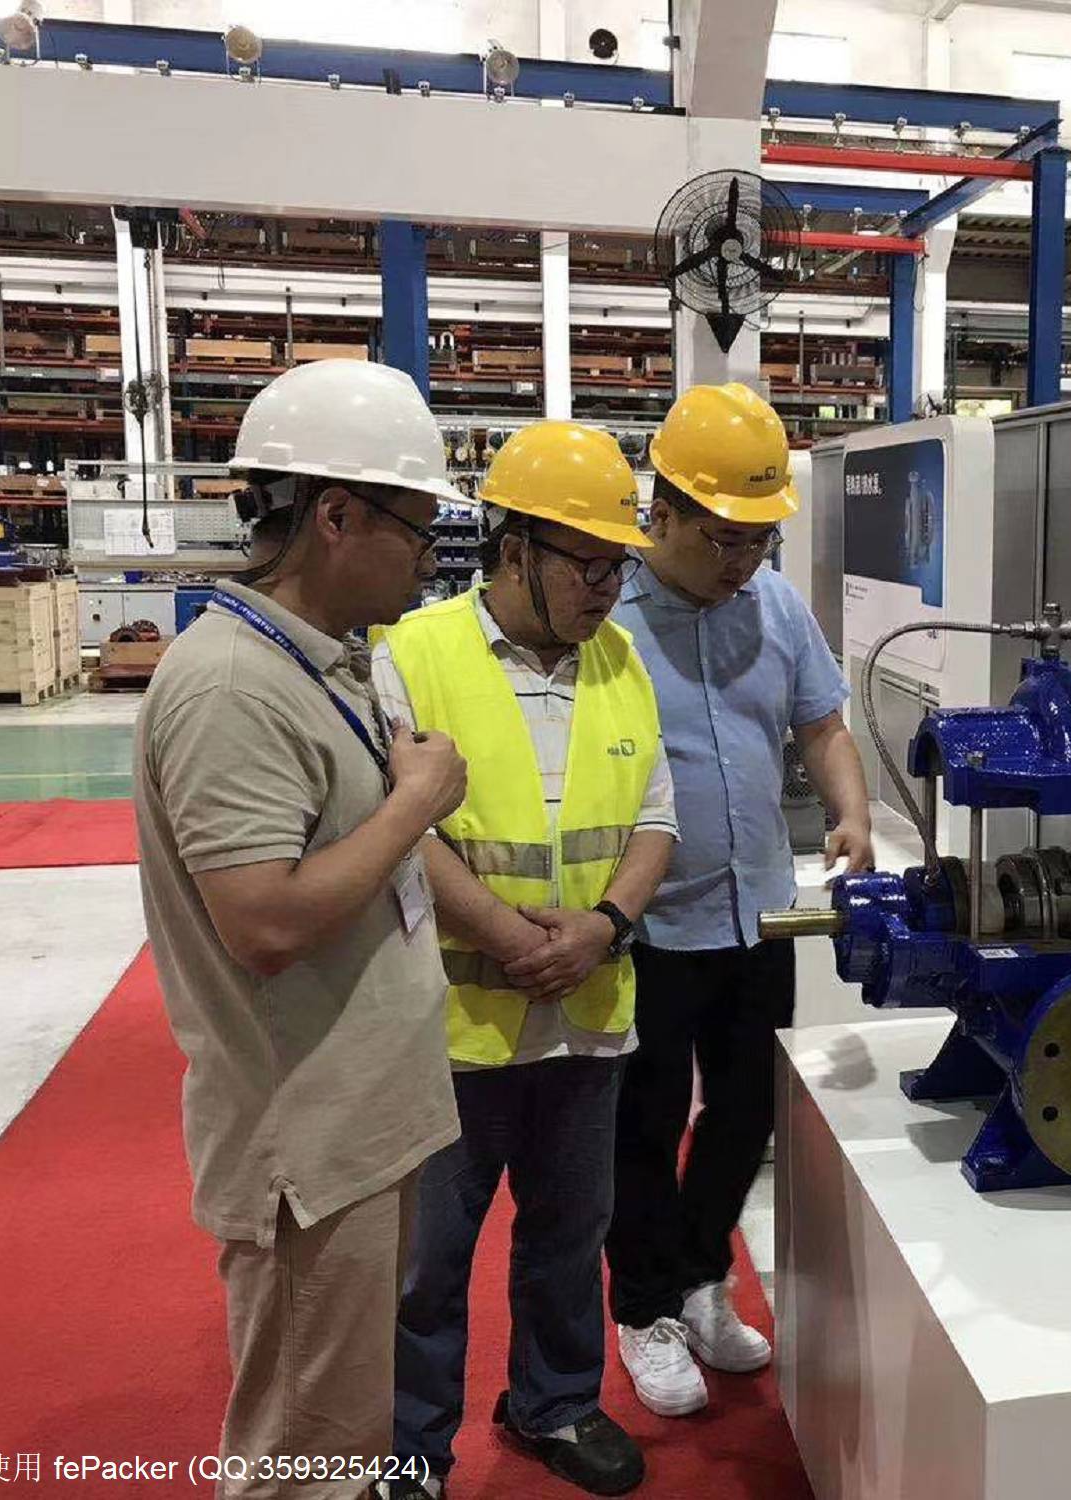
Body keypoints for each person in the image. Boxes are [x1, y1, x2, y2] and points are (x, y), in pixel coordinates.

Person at [133, 360, 468, 1500]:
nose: (428, 557)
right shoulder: (233, 687)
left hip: (357, 1121)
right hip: (305, 1148)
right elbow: (264, 921)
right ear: (334, 515)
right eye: (415, 527)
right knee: (302, 1460)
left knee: (345, 1433)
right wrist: (416, 803)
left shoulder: (319, 661)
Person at [370, 422, 677, 1499]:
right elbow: (396, 829)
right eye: (587, 564)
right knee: (426, 1259)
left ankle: (555, 1403)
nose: (607, 588)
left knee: (569, 1233)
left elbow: (655, 819)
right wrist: (505, 938)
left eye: (618, 566)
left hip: (587, 1014)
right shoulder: (412, 654)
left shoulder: (622, 659)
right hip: (453, 1030)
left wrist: (605, 926)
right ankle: (410, 1448)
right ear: (513, 551)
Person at [606, 382, 876, 1417]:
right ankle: (642, 1309)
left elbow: (822, 724)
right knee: (641, 1122)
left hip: (759, 908)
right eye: (725, 539)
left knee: (747, 1110)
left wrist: (851, 813)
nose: (743, 561)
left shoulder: (775, 604)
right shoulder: (609, 620)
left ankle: (698, 1277)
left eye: (760, 540)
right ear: (662, 513)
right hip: (646, 921)